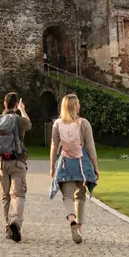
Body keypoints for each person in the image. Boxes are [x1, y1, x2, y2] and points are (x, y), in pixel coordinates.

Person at [49, 93, 99, 244]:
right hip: (82, 164)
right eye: (77, 103)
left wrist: (52, 166)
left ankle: (71, 219)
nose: (79, 106)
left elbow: (54, 146)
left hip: (65, 163)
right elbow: (90, 146)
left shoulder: (57, 124)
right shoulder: (84, 123)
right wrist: (96, 167)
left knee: (67, 196)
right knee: (81, 196)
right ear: (73, 106)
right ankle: (79, 228)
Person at [0, 92, 32, 242]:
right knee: (18, 195)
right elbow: (29, 124)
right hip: (18, 162)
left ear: (4, 104)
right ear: (15, 105)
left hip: (1, 163)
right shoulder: (19, 120)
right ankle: (16, 222)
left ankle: (8, 229)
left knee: (5, 197)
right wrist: (23, 110)